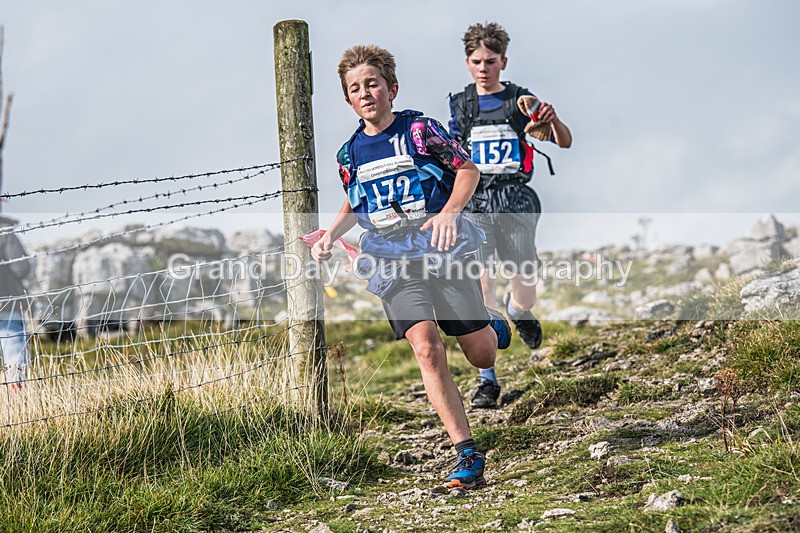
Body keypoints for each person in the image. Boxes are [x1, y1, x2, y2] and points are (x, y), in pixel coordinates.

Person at [312, 44, 511, 490]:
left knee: (480, 353)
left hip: (442, 248)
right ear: (348, 100)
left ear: (391, 88)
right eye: (355, 88)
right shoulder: (348, 154)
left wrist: (450, 213)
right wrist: (330, 233)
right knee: (426, 347)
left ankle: (489, 324)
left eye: (373, 84)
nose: (365, 93)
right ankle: (467, 455)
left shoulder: (419, 130)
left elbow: (467, 170)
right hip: (391, 256)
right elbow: (355, 200)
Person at [449, 22, 572, 409]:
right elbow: (451, 154)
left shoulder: (522, 101)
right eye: (475, 61)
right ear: (467, 63)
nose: (483, 68)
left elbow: (564, 141)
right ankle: (488, 380)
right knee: (480, 283)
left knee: (524, 279)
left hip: (515, 197)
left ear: (504, 61)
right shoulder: (462, 105)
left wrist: (550, 120)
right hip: (477, 199)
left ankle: (519, 309)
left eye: (490, 61)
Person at [0, 214, 33, 391]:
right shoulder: (4, 230)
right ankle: (16, 396)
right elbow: (21, 268)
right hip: (6, 303)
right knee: (14, 355)